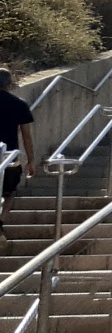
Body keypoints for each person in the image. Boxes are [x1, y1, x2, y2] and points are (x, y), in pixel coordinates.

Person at [0, 69, 37, 241]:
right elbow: (26, 135)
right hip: (9, 157)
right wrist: (30, 160)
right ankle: (0, 222)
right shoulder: (19, 104)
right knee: (9, 193)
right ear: (9, 84)